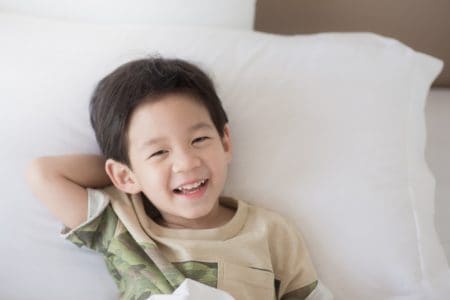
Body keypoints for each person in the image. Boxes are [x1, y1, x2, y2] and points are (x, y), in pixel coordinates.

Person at [25, 56, 319, 300]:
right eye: (159, 153)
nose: (186, 162)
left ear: (225, 143)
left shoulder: (270, 232)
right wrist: (132, 173)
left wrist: (142, 166)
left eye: (200, 139)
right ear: (124, 175)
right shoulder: (123, 225)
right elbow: (44, 174)